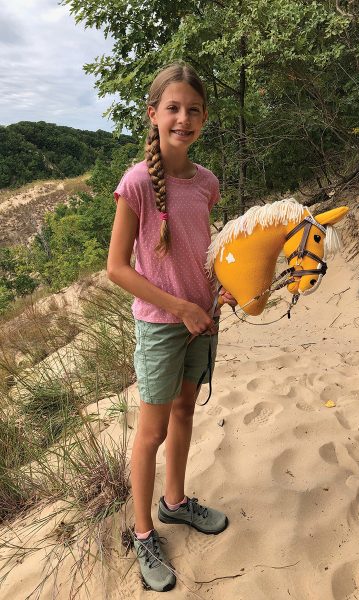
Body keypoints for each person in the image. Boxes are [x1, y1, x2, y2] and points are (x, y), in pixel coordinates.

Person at [107, 62, 236, 592]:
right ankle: (143, 532)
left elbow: (203, 251)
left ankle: (176, 502)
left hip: (203, 317)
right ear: (154, 114)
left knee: (186, 410)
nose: (183, 118)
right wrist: (180, 309)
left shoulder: (206, 183)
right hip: (163, 326)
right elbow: (116, 268)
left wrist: (220, 287)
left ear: (204, 118)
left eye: (194, 110)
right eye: (174, 108)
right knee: (151, 432)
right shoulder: (137, 183)